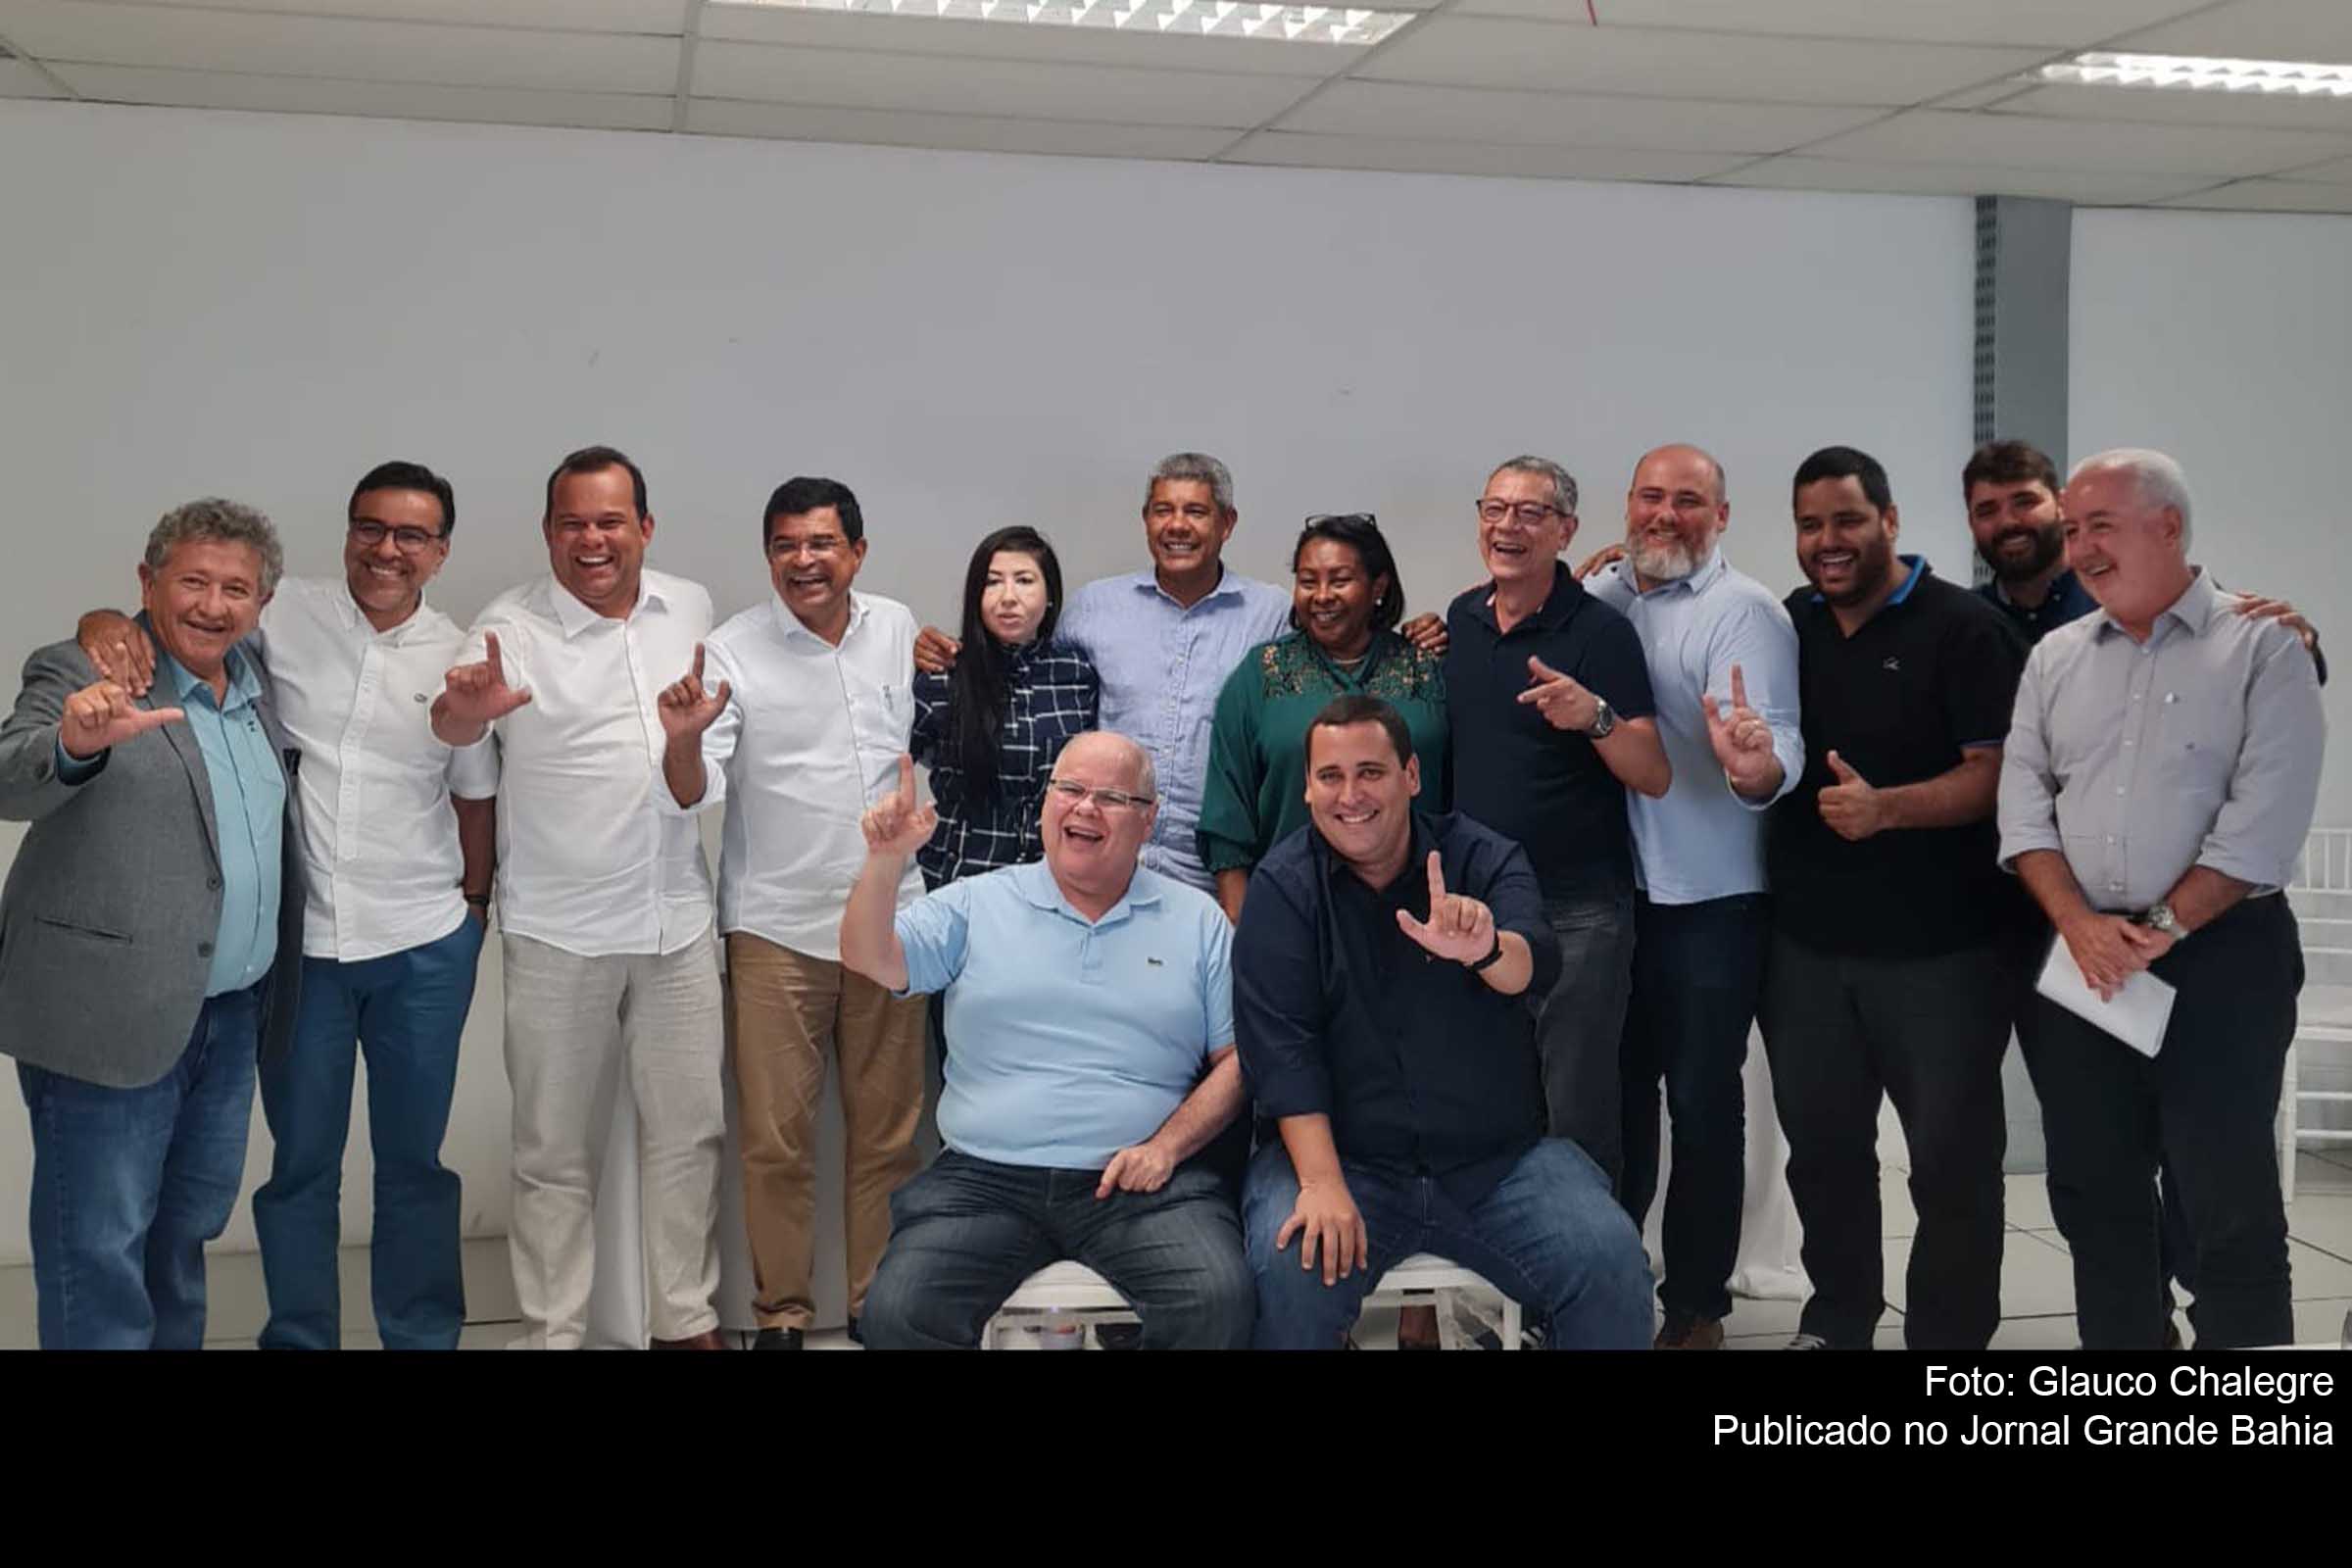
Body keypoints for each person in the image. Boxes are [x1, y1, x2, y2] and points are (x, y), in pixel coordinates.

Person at [77, 462, 498, 1351]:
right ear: (348, 531)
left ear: (440, 552)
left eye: (410, 535)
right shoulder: (281, 615)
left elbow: (472, 795)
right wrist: (106, 620)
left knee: (414, 1166)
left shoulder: (461, 654)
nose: (387, 549)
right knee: (300, 1166)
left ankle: (422, 1336)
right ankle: (301, 1336)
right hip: (301, 955)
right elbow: (183, 632)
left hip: (422, 944)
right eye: (370, 527)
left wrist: (471, 912)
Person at [2000, 449, 2324, 1349]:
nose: (2080, 547)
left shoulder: (2265, 647)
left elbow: (2263, 826)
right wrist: (2079, 926)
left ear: (2168, 527)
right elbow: (2023, 807)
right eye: (2071, 530)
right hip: (2085, 957)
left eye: (2100, 525)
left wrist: (2159, 928)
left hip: (2222, 956)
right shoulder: (2056, 659)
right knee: (2094, 1193)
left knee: (2223, 1194)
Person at [1236, 696, 1653, 1350]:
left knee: (1612, 1263)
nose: (1351, 796)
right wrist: (1320, 1183)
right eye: (1330, 777)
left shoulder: (1482, 857)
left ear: (1411, 775)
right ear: (1310, 790)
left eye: (1371, 772)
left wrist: (1485, 949)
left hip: (1496, 1164)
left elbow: (1533, 964)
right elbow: (1283, 1051)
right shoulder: (1282, 888)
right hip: (1342, 1163)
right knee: (1290, 1273)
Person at [431, 445, 727, 1350]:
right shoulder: (504, 632)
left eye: (609, 521)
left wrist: (684, 740)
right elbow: (458, 747)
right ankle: (553, 1332)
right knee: (552, 1156)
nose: (591, 540)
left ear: (644, 527)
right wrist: (465, 713)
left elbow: (691, 783)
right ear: (548, 533)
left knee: (691, 1138)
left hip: (677, 922)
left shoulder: (691, 608)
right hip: (558, 932)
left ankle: (685, 1322)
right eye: (571, 523)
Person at [0, 498, 306, 1348]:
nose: (213, 605)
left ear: (260, 603)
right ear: (148, 581)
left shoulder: (259, 685)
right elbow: (8, 778)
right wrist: (74, 743)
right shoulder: (82, 669)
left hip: (229, 1015)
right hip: (108, 1014)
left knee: (183, 1239)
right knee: (97, 1249)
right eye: (193, 581)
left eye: (236, 588)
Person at [843, 732, 1253, 1350]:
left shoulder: (1197, 920)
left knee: (1219, 1301)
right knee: (896, 1312)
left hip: (1141, 1185)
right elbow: (868, 957)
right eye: (1070, 789)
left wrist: (1167, 1148)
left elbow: (1239, 1062)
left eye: (1111, 797)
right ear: (1046, 804)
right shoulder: (978, 902)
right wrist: (884, 859)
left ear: (1148, 821)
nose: (1085, 807)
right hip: (983, 1180)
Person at [1762, 445, 2027, 1350]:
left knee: (1951, 1170)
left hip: (1943, 957)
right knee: (1826, 1158)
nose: (1827, 542)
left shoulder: (1964, 629)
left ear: (1890, 521)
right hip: (1805, 955)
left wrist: (1888, 811)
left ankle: (1948, 1347)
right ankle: (1838, 1323)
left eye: (1845, 520)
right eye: (1809, 525)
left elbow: (1997, 778)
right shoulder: (1788, 622)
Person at [658, 475, 930, 1350]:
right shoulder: (733, 650)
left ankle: (875, 1308)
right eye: (784, 546)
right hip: (778, 927)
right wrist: (685, 737)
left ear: (856, 550)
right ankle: (780, 1317)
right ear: (768, 555)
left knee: (889, 1138)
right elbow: (692, 793)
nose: (802, 561)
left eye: (820, 544)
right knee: (776, 1143)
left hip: (891, 921)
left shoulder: (896, 628)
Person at [1579, 444, 1802, 1350]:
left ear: (1721, 515)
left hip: (1709, 903)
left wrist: (1755, 766)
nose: (1664, 514)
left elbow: (1772, 745)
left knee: (1703, 1106)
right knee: (1612, 1099)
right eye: (1649, 497)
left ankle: (1700, 1305)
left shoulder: (1743, 612)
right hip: (1614, 898)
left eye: (1687, 500)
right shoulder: (1604, 599)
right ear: (1625, 505)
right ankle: (1607, 1286)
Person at [1443, 455, 1669, 1184]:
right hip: (1478, 907)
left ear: (1566, 530)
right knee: (1485, 1100)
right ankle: (1505, 1284)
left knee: (1576, 1111)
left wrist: (1593, 715)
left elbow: (1653, 772)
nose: (1507, 526)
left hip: (1578, 910)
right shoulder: (1461, 619)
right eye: (1494, 509)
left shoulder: (1601, 634)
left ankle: (1587, 1287)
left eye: (1530, 513)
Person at [1200, 513, 1446, 924]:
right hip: (1291, 910)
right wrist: (1246, 929)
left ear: (1378, 587)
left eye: (1340, 579)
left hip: (1416, 912)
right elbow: (1227, 817)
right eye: (1308, 581)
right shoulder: (1261, 674)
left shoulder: (1425, 672)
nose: (1322, 595)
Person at [908, 525, 1098, 890]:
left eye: (1024, 581)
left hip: (1054, 885)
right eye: (992, 583)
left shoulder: (1078, 674)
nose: (1008, 597)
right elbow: (884, 767)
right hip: (961, 883)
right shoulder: (943, 675)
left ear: (1050, 595)